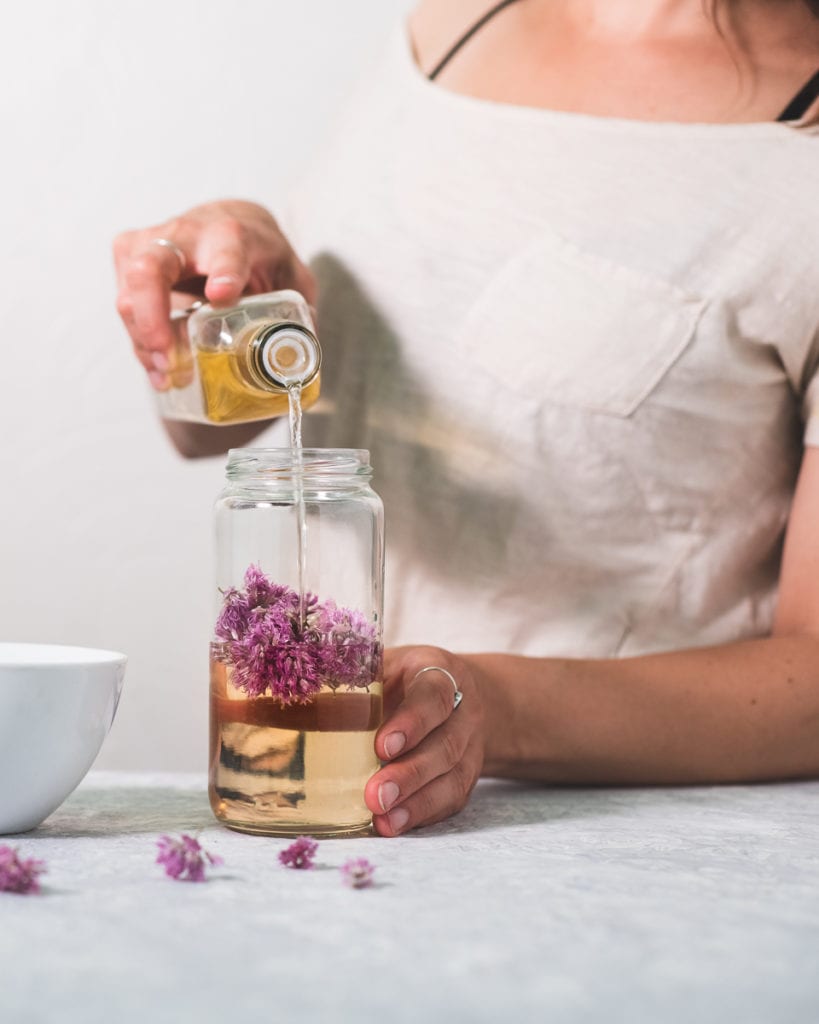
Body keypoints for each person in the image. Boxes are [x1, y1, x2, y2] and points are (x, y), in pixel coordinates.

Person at [114, 0, 819, 837]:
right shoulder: (454, 24)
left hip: (606, 841)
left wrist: (494, 709)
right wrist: (218, 310)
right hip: (330, 804)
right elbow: (226, 427)